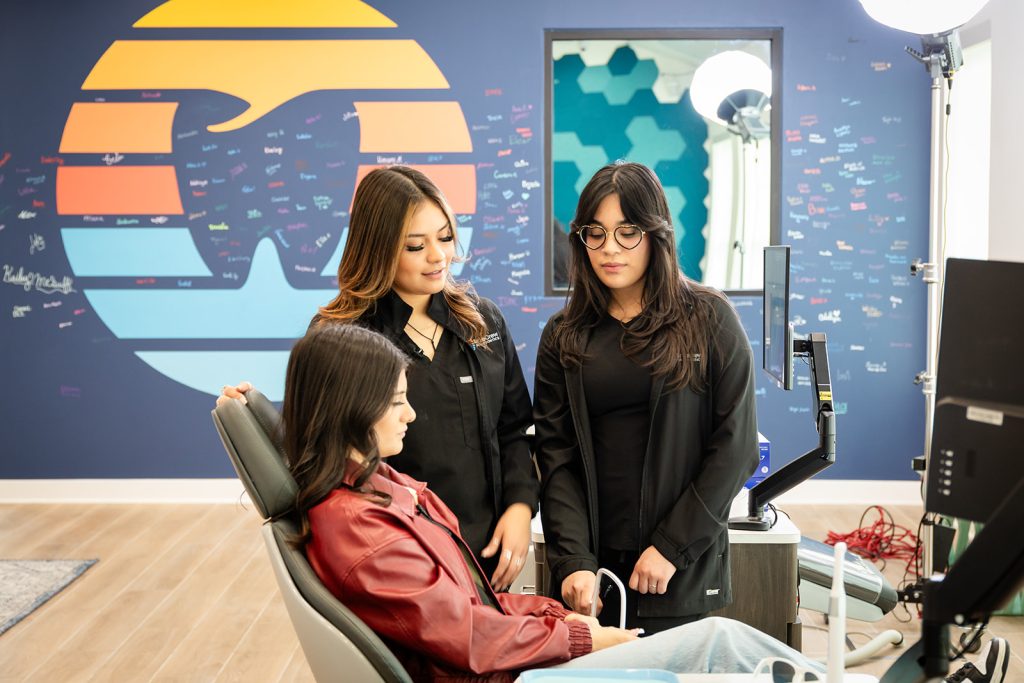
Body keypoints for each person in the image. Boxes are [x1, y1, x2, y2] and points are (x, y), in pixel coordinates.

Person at [279, 322, 828, 681]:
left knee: (724, 645)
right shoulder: (364, 531)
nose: (411, 414)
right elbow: (469, 635)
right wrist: (582, 636)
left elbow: (477, 611)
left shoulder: (383, 491)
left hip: (507, 664)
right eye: (399, 401)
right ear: (351, 407)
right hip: (505, 676)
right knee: (718, 644)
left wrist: (558, 616)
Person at [222, 166, 536, 590]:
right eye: (415, 245)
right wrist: (255, 416)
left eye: (445, 237)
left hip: (489, 555)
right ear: (378, 247)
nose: (438, 256)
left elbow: (514, 429)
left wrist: (520, 508)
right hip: (400, 556)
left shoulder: (483, 321)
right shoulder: (340, 337)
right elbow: (319, 453)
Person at [533, 161, 760, 634]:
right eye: (595, 233)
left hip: (677, 566)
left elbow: (736, 447)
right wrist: (573, 559)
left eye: (627, 232)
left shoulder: (709, 318)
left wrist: (672, 546)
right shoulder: (563, 334)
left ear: (656, 234)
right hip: (592, 574)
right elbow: (556, 457)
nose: (609, 248)